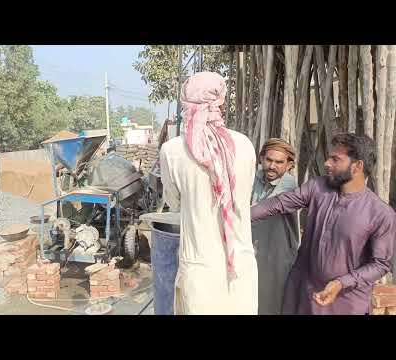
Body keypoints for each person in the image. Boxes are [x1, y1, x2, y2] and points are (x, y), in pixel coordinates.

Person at [251, 133, 396, 315]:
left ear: (357, 166)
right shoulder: (317, 188)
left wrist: (342, 282)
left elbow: (381, 264)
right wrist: (235, 218)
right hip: (303, 295)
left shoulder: (381, 214)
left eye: (336, 159)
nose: (327, 163)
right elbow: (278, 204)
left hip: (345, 303)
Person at [160, 72, 258, 315]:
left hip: (200, 270)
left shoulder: (172, 151)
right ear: (220, 101)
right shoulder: (244, 144)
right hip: (241, 266)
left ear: (186, 103)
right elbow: (245, 197)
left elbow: (173, 203)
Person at [251, 138, 300, 315]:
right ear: (261, 158)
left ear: (289, 165)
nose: (272, 166)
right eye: (269, 160)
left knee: (274, 303)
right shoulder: (252, 175)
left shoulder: (289, 184)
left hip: (278, 253)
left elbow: (264, 209)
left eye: (279, 162)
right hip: (254, 248)